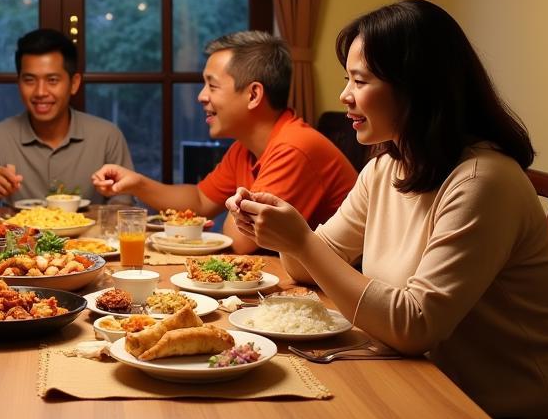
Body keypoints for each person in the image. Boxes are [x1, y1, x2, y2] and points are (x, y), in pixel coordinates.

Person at [229, 0, 548, 419]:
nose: (344, 96)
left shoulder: (482, 180)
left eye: (359, 80)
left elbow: (415, 326)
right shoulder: (390, 165)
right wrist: (273, 227)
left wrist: (300, 241)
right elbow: (306, 268)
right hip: (432, 406)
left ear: (417, 86)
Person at [92, 31, 357, 254]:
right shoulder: (245, 148)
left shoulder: (294, 147)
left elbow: (241, 242)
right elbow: (199, 201)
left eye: (212, 86)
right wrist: (136, 183)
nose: (201, 96)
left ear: (253, 94)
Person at [0, 28, 133, 206]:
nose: (40, 92)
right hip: (19, 233)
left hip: (89, 234)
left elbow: (124, 207)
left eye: (52, 80)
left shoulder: (107, 136)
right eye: (29, 80)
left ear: (74, 83)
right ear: (19, 83)